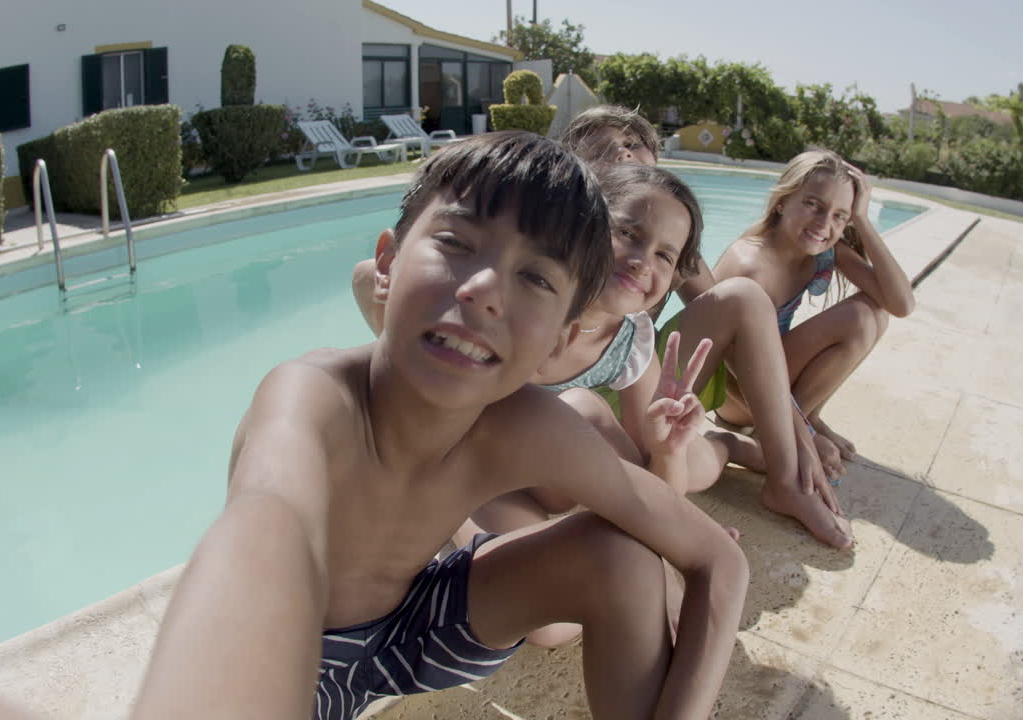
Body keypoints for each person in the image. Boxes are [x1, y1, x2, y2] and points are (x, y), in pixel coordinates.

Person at [133, 132, 749, 720]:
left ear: (560, 338)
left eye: (535, 277)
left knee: (621, 557)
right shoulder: (311, 401)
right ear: (386, 263)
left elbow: (719, 561)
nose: (484, 290)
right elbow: (260, 527)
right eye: (457, 243)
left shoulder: (527, 424)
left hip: (419, 623)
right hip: (297, 655)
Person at [680, 149, 914, 499]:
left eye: (839, 216)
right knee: (861, 319)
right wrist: (800, 436)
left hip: (773, 382)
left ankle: (802, 418)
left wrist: (862, 220)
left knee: (873, 314)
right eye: (813, 205)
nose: (824, 224)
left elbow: (901, 304)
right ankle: (786, 428)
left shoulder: (821, 251)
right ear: (782, 201)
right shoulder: (751, 264)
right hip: (736, 390)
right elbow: (736, 368)